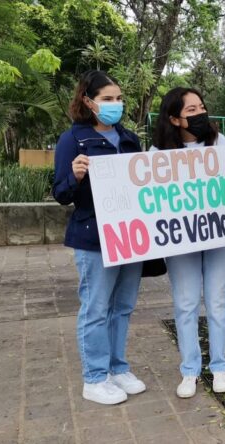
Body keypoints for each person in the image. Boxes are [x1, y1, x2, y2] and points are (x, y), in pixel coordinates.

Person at [53, 70, 147, 405]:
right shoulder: (73, 140)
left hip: (131, 237)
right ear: (88, 101)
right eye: (108, 99)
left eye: (119, 98)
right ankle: (94, 377)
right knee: (96, 308)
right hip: (94, 237)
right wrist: (75, 175)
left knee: (122, 307)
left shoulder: (130, 139)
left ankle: (117, 368)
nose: (115, 104)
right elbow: (60, 193)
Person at [151, 87, 225, 398]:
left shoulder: (219, 143)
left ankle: (219, 366)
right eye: (191, 110)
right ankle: (189, 370)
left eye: (201, 107)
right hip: (181, 240)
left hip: (217, 235)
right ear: (174, 118)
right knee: (186, 303)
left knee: (219, 301)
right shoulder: (157, 155)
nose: (200, 113)